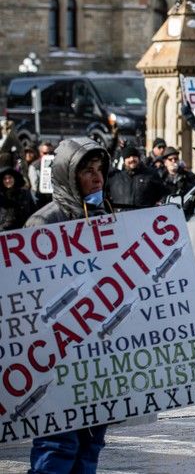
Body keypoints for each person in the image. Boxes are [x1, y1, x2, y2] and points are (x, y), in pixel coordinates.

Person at [25, 138, 112, 473]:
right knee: (59, 444)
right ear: (68, 175)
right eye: (88, 171)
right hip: (58, 355)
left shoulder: (107, 216)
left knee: (91, 443)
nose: (97, 178)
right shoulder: (43, 223)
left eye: (100, 170)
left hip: (98, 352)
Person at [107, 145, 168, 211]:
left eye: (134, 156)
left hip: (145, 217)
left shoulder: (151, 175)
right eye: (128, 157)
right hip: (121, 218)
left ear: (139, 158)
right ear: (124, 160)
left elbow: (164, 194)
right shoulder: (115, 178)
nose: (132, 159)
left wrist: (159, 205)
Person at [0, 166, 36, 231]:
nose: (7, 180)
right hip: (5, 232)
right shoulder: (1, 197)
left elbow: (33, 211)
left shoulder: (25, 193)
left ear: (14, 178)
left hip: (25, 229)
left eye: (10, 177)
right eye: (5, 179)